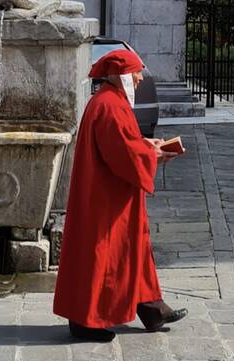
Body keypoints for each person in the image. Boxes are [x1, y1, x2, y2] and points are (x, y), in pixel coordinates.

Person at [53, 49, 188, 342]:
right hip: (107, 198)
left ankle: (152, 308)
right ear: (121, 75)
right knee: (105, 254)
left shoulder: (108, 101)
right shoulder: (110, 105)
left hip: (112, 193)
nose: (140, 78)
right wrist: (154, 154)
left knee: (134, 250)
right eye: (136, 72)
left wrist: (145, 144)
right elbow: (123, 154)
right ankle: (86, 321)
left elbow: (125, 143)